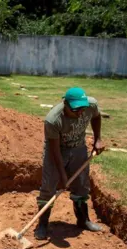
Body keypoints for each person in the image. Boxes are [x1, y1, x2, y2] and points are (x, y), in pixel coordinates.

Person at [34, 87, 106, 240]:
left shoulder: (90, 105)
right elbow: (55, 151)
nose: (80, 112)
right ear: (65, 104)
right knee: (48, 186)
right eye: (75, 110)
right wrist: (62, 176)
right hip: (58, 150)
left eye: (82, 108)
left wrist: (98, 139)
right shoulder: (53, 120)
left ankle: (83, 220)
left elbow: (96, 116)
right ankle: (42, 224)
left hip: (79, 148)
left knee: (81, 185)